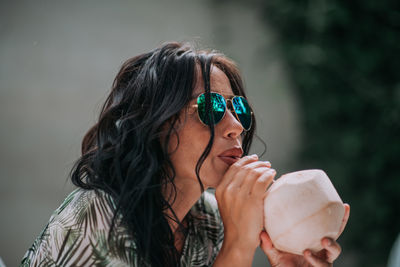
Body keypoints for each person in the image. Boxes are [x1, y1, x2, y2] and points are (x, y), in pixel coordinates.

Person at [21, 42, 350, 267]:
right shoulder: (97, 217)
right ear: (157, 124)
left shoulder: (206, 221)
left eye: (240, 110)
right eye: (210, 107)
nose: (236, 126)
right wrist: (236, 248)